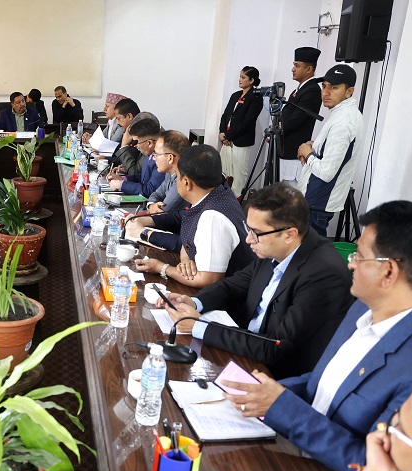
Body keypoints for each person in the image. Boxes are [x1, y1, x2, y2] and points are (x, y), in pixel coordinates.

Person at [218, 201, 412, 471]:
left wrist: (281, 407)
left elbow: (376, 469)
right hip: (298, 447)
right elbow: (327, 382)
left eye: (358, 256)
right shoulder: (365, 305)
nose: (350, 264)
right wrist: (262, 392)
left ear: (388, 272)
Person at [159, 184, 354, 379]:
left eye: (256, 232)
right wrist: (194, 302)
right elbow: (232, 285)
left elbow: (276, 346)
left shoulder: (324, 274)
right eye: (248, 229)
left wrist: (198, 326)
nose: (248, 239)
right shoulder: (274, 244)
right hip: (246, 349)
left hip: (277, 376)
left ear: (289, 234)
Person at [130, 145, 254, 288]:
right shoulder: (217, 193)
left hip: (232, 297)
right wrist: (186, 261)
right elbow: (187, 241)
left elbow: (209, 279)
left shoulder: (213, 217)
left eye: (178, 177)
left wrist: (161, 268)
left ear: (187, 183)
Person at [297, 64, 364, 236]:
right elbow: (338, 150)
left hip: (318, 200)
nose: (326, 92)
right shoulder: (345, 113)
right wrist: (315, 146)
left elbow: (327, 172)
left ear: (349, 91)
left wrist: (307, 153)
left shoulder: (343, 122)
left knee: (311, 250)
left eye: (334, 88)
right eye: (324, 86)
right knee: (309, 248)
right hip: (318, 198)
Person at [279, 47, 323, 186]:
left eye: (297, 66)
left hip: (294, 153)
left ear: (309, 69)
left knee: (290, 193)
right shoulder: (300, 89)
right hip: (285, 150)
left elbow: (295, 120)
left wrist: (277, 131)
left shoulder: (312, 90)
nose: (293, 69)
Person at [219, 66, 262, 195]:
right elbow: (225, 116)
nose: (240, 80)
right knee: (223, 170)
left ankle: (238, 200)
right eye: (240, 76)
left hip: (240, 141)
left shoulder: (256, 97)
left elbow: (247, 122)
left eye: (243, 77)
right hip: (227, 140)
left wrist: (228, 135)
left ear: (251, 80)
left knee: (239, 174)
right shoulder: (235, 95)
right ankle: (223, 196)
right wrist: (222, 133)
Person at [108, 117, 165, 197]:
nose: (135, 146)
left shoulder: (161, 159)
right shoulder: (148, 153)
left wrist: (121, 185)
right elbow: (143, 178)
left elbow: (150, 190)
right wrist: (122, 179)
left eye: (137, 142)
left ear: (149, 143)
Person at [145, 130, 190, 213]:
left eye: (157, 154)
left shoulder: (183, 180)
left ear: (170, 158)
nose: (154, 158)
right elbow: (156, 194)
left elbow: (162, 211)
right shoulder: (169, 173)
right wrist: (151, 205)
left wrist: (154, 208)